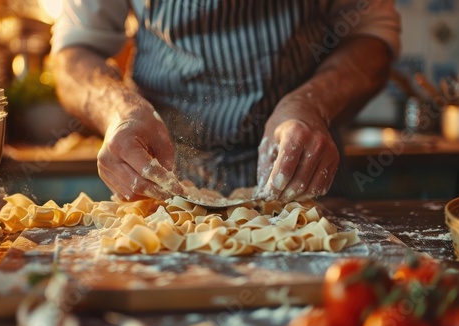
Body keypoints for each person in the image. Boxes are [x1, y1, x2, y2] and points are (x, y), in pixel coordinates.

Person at [51, 0, 400, 203]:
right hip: (158, 179)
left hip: (301, 169)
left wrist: (313, 104)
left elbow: (369, 34)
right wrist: (119, 111)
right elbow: (74, 53)